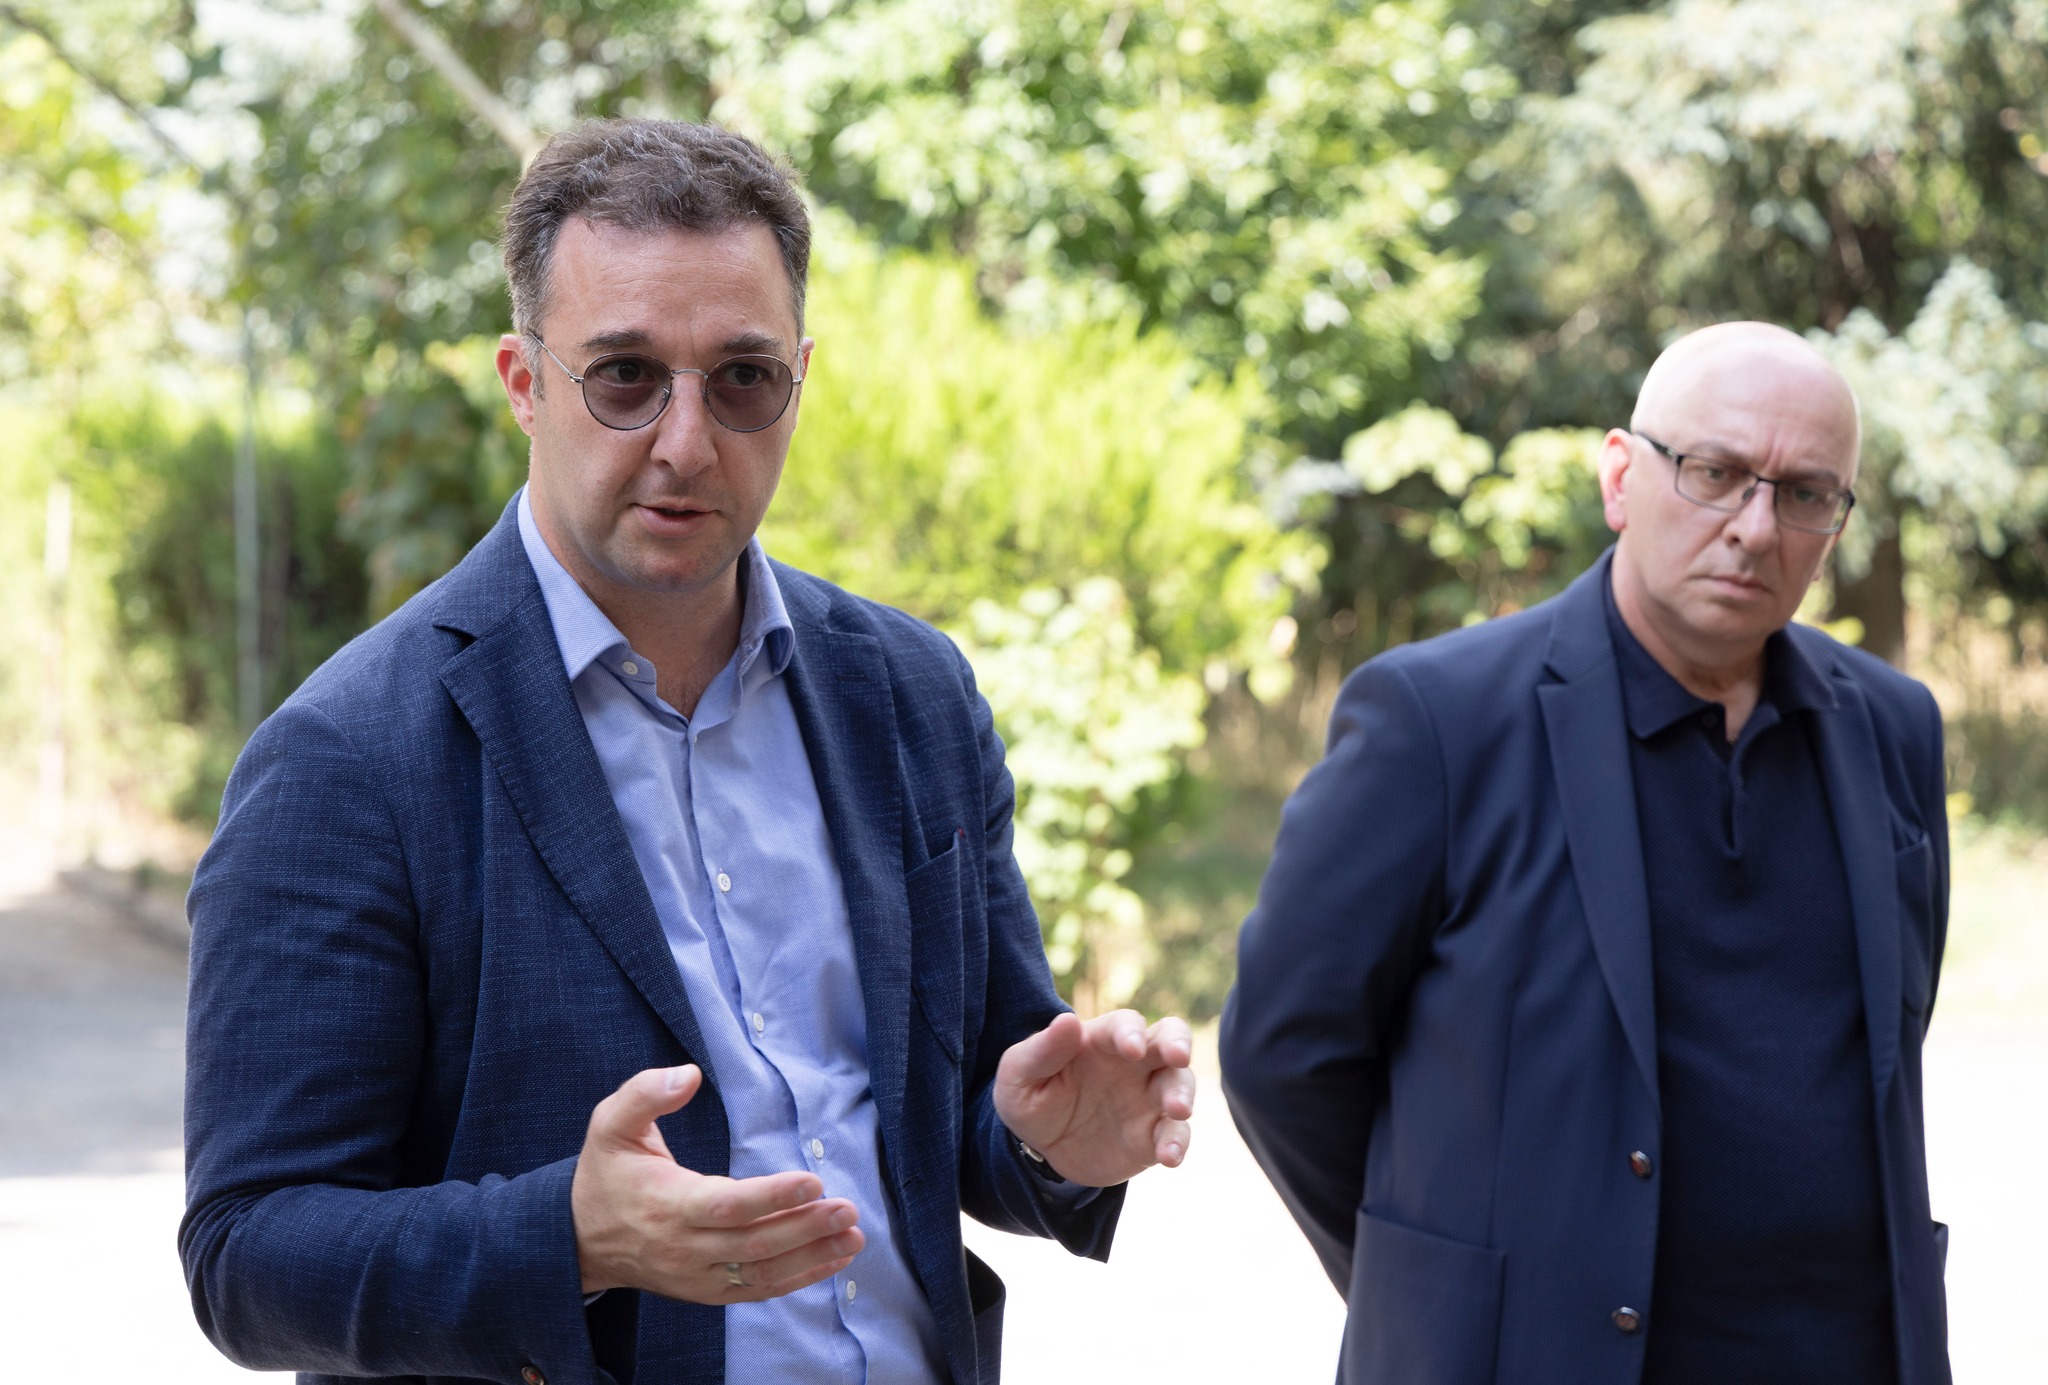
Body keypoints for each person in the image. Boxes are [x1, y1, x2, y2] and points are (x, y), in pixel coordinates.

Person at [181, 118, 1194, 1385]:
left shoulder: (909, 692)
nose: (684, 440)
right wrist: (568, 1237)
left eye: (742, 378)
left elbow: (960, 1114)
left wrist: (1049, 1142)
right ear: (523, 382)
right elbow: (248, 1253)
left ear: (799, 380)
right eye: (623, 376)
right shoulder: (349, 757)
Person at [1220, 322, 1950, 1385]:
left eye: (1803, 493)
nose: (1755, 527)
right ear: (1619, 477)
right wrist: (1447, 1289)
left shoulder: (1892, 727)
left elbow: (1894, 1041)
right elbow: (1283, 1057)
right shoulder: (1438, 721)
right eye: (1714, 472)